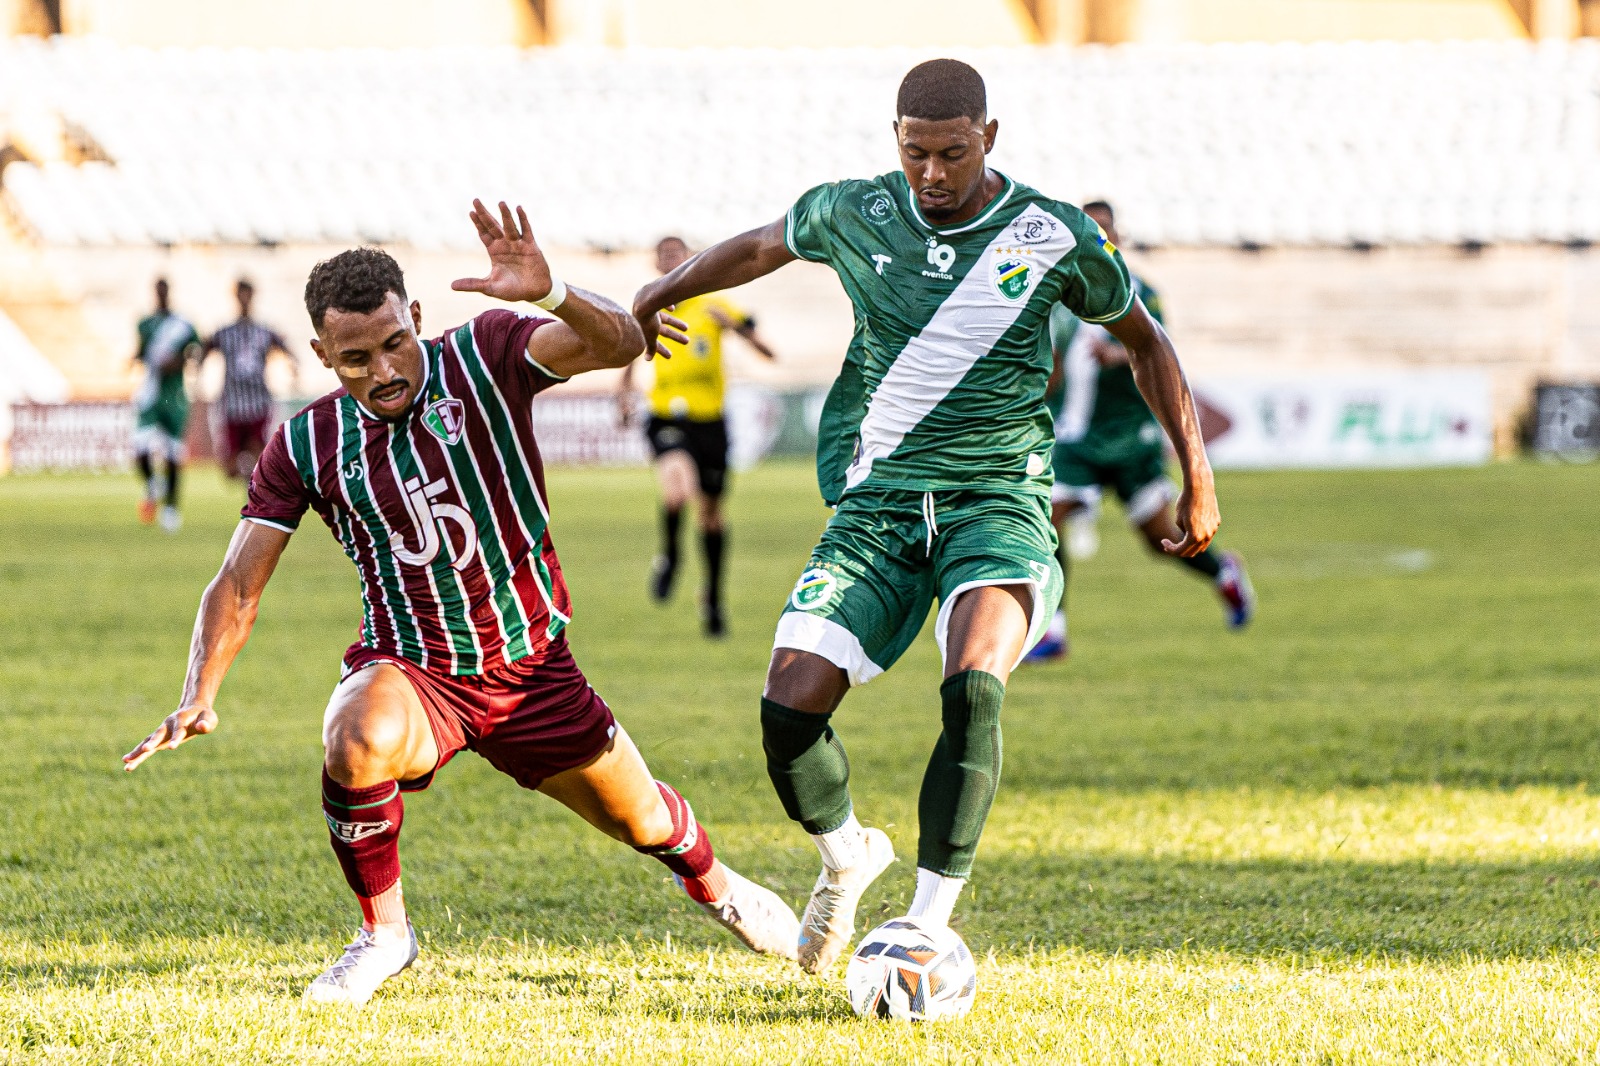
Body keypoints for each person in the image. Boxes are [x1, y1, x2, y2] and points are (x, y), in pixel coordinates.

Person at [122, 201, 799, 1007]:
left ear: (417, 316)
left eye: (395, 343)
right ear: (319, 354)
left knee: (648, 825)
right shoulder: (304, 442)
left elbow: (619, 341)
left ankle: (718, 885)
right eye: (356, 357)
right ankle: (384, 935)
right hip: (416, 673)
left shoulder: (485, 355)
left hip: (532, 668)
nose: (384, 371)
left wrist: (552, 296)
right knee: (354, 737)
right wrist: (200, 690)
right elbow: (239, 580)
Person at [631, 60, 1221, 973]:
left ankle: (928, 924)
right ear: (895, 142)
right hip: (877, 507)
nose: (934, 175)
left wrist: (1198, 471)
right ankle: (846, 854)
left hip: (998, 500)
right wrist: (661, 293)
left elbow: (1145, 341)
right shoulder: (855, 211)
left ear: (990, 135)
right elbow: (757, 246)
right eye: (916, 155)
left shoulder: (1049, 233)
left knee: (975, 681)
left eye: (952, 153)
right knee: (787, 713)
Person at [1026, 201, 1254, 663]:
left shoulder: (1141, 292)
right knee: (1048, 522)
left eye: (1104, 232)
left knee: (1161, 539)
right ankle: (1054, 630)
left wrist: (1118, 358)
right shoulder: (1058, 296)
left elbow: (1155, 353)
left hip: (1131, 437)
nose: (1097, 240)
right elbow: (1052, 362)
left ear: (1117, 238)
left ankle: (1222, 572)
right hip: (1074, 438)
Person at [617, 236, 778, 638]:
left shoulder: (714, 305)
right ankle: (670, 556)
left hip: (711, 422)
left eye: (677, 253)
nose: (670, 259)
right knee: (676, 492)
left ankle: (712, 597)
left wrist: (736, 329)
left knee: (711, 516)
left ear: (689, 259)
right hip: (666, 417)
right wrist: (623, 394)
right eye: (663, 254)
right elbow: (628, 353)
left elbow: (766, 351)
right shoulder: (647, 307)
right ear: (656, 264)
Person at [203, 278, 298, 481]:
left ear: (253, 296)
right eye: (241, 294)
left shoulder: (264, 331)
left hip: (258, 404)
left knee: (262, 461)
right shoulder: (225, 332)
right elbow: (205, 348)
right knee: (229, 471)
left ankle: (253, 493)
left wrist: (293, 368)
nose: (244, 299)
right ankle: (247, 480)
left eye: (247, 294)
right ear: (236, 296)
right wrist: (197, 371)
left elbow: (285, 348)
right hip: (232, 406)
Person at [132, 278, 201, 532]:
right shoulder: (145, 324)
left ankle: (171, 507)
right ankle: (152, 483)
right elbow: (142, 352)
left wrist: (181, 362)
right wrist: (134, 358)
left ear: (169, 292)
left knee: (173, 453)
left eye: (164, 290)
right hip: (150, 392)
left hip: (174, 395)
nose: (161, 294)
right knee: (140, 447)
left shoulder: (183, 325)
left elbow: (196, 350)